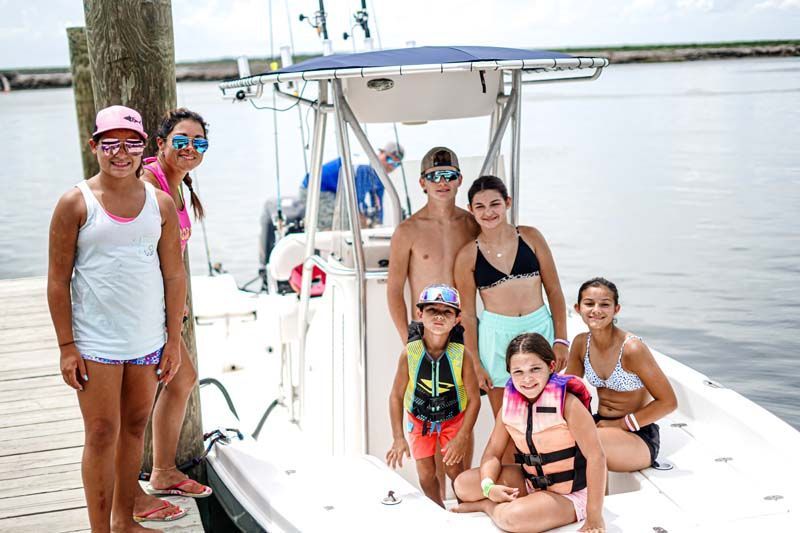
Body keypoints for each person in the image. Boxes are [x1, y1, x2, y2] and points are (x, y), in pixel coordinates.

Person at [47, 105, 185, 533]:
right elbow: (57, 281)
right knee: (103, 433)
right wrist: (67, 347)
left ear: (143, 147)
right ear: (95, 147)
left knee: (135, 428)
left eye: (131, 143)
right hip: (95, 344)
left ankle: (125, 521)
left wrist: (173, 341)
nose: (121, 153)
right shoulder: (75, 202)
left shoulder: (159, 204)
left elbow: (173, 274)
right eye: (111, 143)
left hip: (146, 341)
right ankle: (100, 529)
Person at [132, 108, 213, 523]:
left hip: (165, 308)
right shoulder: (148, 186)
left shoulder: (178, 188)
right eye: (180, 140)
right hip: (144, 309)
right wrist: (164, 311)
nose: (190, 148)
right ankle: (129, 495)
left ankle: (163, 471)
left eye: (199, 142)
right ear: (159, 144)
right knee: (136, 404)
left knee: (182, 378)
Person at [386, 146, 480, 498]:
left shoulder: (472, 223)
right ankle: (436, 509)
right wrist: (408, 341)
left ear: (459, 180)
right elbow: (395, 290)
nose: (442, 182)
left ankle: (464, 502)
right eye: (434, 176)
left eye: (449, 175)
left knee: (458, 428)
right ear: (422, 182)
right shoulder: (408, 230)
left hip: (463, 332)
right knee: (426, 426)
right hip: (422, 333)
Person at [453, 333, 606, 533]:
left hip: (569, 493)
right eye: (518, 372)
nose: (527, 379)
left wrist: (595, 516)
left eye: (535, 369)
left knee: (513, 518)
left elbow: (597, 457)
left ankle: (487, 507)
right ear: (509, 373)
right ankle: (519, 502)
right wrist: (489, 487)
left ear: (551, 367)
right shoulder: (509, 406)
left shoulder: (568, 404)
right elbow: (492, 453)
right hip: (529, 481)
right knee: (463, 484)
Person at [454, 175, 569, 416]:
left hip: (539, 328)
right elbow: (468, 314)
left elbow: (555, 291)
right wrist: (475, 362)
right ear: (470, 210)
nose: (488, 212)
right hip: (495, 338)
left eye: (494, 204)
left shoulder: (530, 236)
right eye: (480, 206)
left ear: (507, 202)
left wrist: (561, 340)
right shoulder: (467, 256)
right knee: (506, 421)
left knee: (549, 415)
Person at [566, 277, 677, 472]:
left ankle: (594, 502)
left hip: (637, 432)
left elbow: (668, 402)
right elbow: (569, 391)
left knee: (586, 440)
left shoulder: (632, 348)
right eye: (589, 303)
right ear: (578, 308)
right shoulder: (581, 343)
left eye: (605, 304)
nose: (596, 310)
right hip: (599, 423)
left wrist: (620, 424)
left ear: (616, 309)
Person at [386, 285, 480, 507]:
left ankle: (465, 510)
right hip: (420, 420)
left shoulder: (461, 355)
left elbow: (475, 399)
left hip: (453, 419)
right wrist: (398, 437)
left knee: (455, 470)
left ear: (457, 318)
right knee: (426, 474)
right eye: (431, 310)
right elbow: (396, 396)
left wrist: (463, 436)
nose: (439, 316)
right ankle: (438, 513)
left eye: (447, 312)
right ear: (420, 314)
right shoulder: (410, 353)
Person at [298, 141, 404, 228]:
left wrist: (378, 224)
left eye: (396, 164)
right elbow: (355, 201)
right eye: (388, 159)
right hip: (315, 190)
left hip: (336, 192)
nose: (391, 165)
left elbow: (378, 205)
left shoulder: (381, 177)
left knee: (356, 219)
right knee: (345, 222)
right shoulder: (364, 167)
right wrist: (365, 220)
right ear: (380, 154)